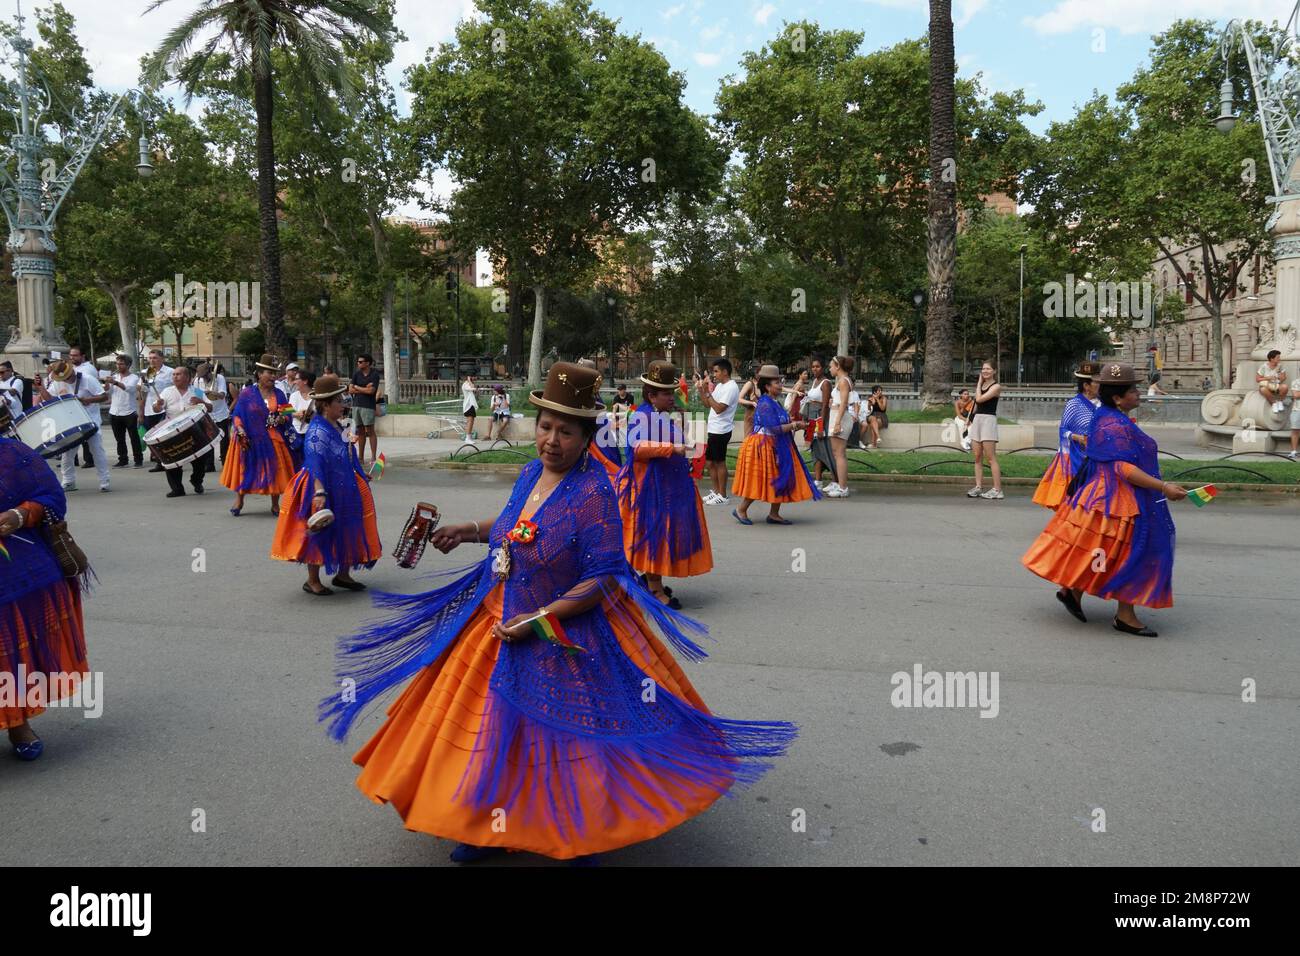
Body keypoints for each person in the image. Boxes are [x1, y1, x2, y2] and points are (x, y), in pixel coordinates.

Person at [321, 361, 795, 864]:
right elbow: (513, 526)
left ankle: (579, 830)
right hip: (497, 617)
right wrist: (468, 531)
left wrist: (540, 619)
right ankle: (484, 826)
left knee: (565, 741)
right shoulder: (530, 472)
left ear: (588, 435)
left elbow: (602, 577)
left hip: (563, 633)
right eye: (546, 426)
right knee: (494, 731)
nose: (551, 439)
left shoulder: (594, 494)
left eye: (566, 431)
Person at [1022, 363, 1185, 637]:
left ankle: (1073, 591)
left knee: (1102, 550)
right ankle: (1124, 615)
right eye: (1133, 390)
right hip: (1117, 501)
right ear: (1118, 397)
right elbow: (1123, 469)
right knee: (1132, 553)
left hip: (1102, 497)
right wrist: (1163, 486)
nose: (1139, 393)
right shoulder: (1114, 423)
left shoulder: (1107, 415)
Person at [0, 434, 91, 761]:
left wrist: (20, 515)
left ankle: (17, 722)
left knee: (8, 649)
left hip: (14, 569)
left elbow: (51, 496)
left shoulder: (11, 453)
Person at [271, 373, 381, 596]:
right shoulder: (317, 430)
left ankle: (343, 574)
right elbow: (314, 463)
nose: (343, 404)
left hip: (342, 483)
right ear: (325, 404)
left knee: (347, 525)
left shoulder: (337, 426)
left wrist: (360, 474)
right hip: (321, 486)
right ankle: (312, 580)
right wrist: (319, 492)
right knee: (321, 531)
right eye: (339, 401)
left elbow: (347, 454)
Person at [618, 360, 712, 609]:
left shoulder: (659, 415)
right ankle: (655, 589)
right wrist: (673, 448)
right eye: (667, 393)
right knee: (654, 536)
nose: (673, 397)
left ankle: (650, 582)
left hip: (667, 486)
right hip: (650, 488)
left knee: (661, 535)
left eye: (673, 392)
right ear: (652, 395)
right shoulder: (642, 415)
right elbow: (637, 448)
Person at [731, 365, 819, 524]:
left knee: (780, 478)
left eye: (780, 381)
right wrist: (794, 425)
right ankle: (741, 509)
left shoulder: (774, 402)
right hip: (762, 446)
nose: (780, 385)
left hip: (774, 444)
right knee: (761, 480)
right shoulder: (765, 403)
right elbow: (774, 428)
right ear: (767, 386)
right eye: (776, 382)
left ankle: (773, 514)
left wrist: (797, 424)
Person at [222, 354, 295, 516]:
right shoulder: (247, 393)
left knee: (275, 469)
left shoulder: (279, 394)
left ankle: (275, 504)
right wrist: (240, 430)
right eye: (269, 373)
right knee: (246, 468)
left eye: (274, 373)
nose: (273, 376)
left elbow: (288, 413)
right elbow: (237, 415)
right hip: (250, 437)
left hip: (272, 437)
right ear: (259, 374)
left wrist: (282, 418)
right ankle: (239, 499)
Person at [1032, 362, 1101, 509]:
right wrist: (1078, 438)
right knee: (1071, 493)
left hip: (1095, 454)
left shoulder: (1102, 405)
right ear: (1086, 386)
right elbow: (1063, 430)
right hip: (1073, 455)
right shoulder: (1074, 404)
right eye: (1096, 382)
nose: (1100, 385)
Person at [37, 360, 111, 493]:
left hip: (90, 420)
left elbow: (104, 396)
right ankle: (68, 481)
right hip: (70, 421)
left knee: (96, 450)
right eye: (62, 378)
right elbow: (49, 399)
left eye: (66, 377)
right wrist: (40, 387)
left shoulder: (88, 379)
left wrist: (87, 400)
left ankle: (104, 481)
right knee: (67, 453)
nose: (64, 380)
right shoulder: (58, 381)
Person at [153, 364, 214, 498]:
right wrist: (157, 405)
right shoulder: (167, 392)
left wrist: (201, 402)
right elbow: (156, 409)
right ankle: (177, 489)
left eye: (178, 374)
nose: (175, 377)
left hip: (194, 431)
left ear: (187, 377)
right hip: (172, 432)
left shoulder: (197, 392)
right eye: (174, 374)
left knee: (200, 459)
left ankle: (197, 481)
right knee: (171, 461)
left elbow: (210, 408)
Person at [696, 357, 740, 505]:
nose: (714, 374)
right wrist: (702, 391)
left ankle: (723, 495)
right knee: (710, 463)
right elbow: (708, 404)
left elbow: (719, 409)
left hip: (722, 430)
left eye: (716, 371)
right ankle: (716, 492)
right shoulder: (721, 386)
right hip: (714, 429)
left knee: (719, 462)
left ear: (725, 371)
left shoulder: (731, 387)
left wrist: (709, 393)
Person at [967, 361, 1003, 500]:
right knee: (977, 457)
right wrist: (969, 419)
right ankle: (978, 486)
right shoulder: (981, 385)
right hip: (978, 421)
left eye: (988, 369)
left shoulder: (996, 387)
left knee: (990, 458)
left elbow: (980, 399)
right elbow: (975, 405)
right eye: (983, 369)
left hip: (988, 421)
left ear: (994, 371)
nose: (985, 371)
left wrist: (978, 384)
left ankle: (997, 489)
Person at [137, 350, 174, 472]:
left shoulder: (170, 372)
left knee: (164, 437)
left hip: (164, 409)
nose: (152, 360)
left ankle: (168, 460)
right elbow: (143, 393)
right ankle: (159, 461)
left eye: (155, 358)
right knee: (152, 437)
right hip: (149, 409)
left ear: (162, 359)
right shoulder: (148, 372)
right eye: (150, 358)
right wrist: (141, 412)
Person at [823, 356, 855, 498]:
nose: (829, 369)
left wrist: (837, 422)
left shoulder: (843, 381)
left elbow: (843, 403)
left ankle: (843, 487)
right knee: (837, 453)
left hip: (840, 417)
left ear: (837, 367)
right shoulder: (843, 381)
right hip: (837, 415)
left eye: (831, 366)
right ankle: (839, 484)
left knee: (839, 453)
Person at [104, 354, 143, 468]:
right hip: (114, 411)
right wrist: (106, 384)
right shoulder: (114, 376)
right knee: (119, 439)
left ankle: (138, 459)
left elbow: (130, 389)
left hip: (129, 411)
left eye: (121, 364)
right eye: (117, 363)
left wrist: (115, 382)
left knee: (134, 437)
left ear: (128, 365)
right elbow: (108, 392)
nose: (118, 366)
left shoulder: (134, 378)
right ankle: (123, 459)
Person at [804, 357, 834, 487]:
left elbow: (825, 405)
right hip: (811, 418)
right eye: (813, 367)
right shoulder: (814, 381)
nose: (815, 369)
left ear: (823, 368)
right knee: (814, 448)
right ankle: (818, 480)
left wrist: (821, 426)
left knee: (825, 449)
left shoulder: (825, 383)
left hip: (820, 418)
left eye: (817, 366)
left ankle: (836, 480)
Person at [68, 347, 99, 470]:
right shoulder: (72, 368)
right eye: (71, 355)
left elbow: (87, 385)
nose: (72, 358)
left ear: (83, 356)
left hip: (88, 408)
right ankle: (75, 460)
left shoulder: (88, 369)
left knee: (89, 438)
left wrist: (87, 400)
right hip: (74, 409)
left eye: (75, 355)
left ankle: (90, 459)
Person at [349, 355, 382, 468]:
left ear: (368, 363)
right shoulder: (356, 374)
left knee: (370, 430)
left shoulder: (374, 375)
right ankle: (361, 457)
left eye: (361, 362)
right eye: (358, 361)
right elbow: (350, 390)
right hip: (357, 405)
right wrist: (362, 388)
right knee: (360, 431)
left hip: (368, 406)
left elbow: (371, 391)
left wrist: (357, 387)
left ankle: (373, 457)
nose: (358, 363)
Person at [196, 362, 232, 464]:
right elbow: (197, 396)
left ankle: (225, 462)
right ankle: (209, 464)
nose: (202, 378)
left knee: (224, 439)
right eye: (200, 376)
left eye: (203, 376)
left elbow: (222, 395)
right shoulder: (198, 381)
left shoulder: (219, 378)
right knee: (208, 440)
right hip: (207, 414)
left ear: (209, 372)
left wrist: (212, 392)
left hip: (221, 413)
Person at [287, 371, 316, 469]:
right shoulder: (294, 395)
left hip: (311, 434)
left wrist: (310, 415)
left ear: (305, 381)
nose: (294, 382)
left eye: (297, 379)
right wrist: (297, 414)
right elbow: (286, 411)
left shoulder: (316, 396)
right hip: (295, 434)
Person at [1257, 349, 1288, 413]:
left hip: (1276, 385)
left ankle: (1279, 402)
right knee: (1263, 389)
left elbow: (1284, 377)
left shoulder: (1280, 366)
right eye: (1278, 357)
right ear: (1272, 359)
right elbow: (1257, 379)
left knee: (1285, 387)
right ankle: (1274, 403)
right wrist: (1268, 378)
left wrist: (1280, 378)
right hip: (1266, 386)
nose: (1279, 359)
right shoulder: (1264, 367)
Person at [863, 385, 889, 449]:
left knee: (874, 424)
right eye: (878, 390)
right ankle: (878, 437)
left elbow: (882, 408)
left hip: (881, 416)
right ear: (874, 392)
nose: (880, 392)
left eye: (881, 390)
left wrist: (877, 399)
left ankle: (873, 444)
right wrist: (870, 404)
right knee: (873, 419)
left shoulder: (884, 398)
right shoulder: (871, 398)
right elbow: (868, 410)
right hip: (872, 415)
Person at [461, 372, 478, 442]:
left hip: (471, 405)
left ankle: (469, 437)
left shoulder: (468, 384)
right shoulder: (466, 384)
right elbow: (473, 388)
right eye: (474, 377)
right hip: (468, 406)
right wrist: (469, 380)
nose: (475, 378)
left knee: (471, 421)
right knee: (470, 421)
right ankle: (467, 438)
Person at [1288, 375, 1300, 461]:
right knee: (1295, 430)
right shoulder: (1296, 382)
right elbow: (1296, 395)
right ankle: (1294, 452)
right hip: (1297, 409)